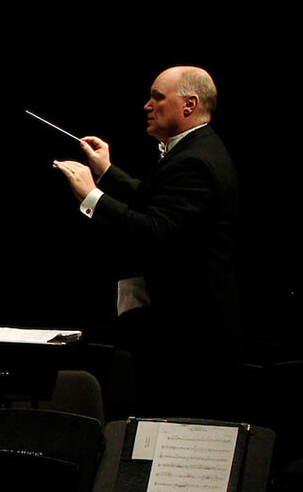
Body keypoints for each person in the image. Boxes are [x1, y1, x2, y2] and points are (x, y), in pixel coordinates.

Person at [52, 64, 240, 416]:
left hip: (187, 336)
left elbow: (157, 231)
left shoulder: (198, 160)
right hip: (182, 329)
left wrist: (92, 197)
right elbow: (157, 198)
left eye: (158, 97)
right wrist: (107, 172)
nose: (147, 105)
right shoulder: (194, 149)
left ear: (189, 105)